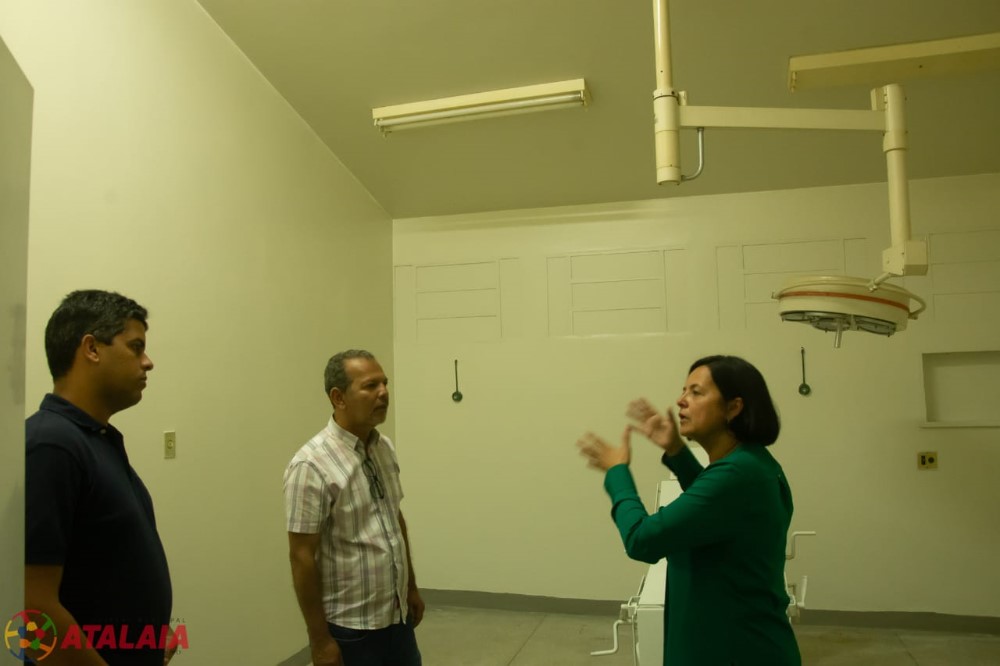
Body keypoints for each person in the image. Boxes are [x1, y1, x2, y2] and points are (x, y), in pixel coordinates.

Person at [577, 355, 801, 665]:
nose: (681, 400)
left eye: (696, 392)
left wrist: (617, 473)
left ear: (733, 407)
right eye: (684, 391)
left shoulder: (736, 475)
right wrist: (676, 450)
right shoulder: (752, 463)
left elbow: (641, 539)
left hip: (735, 650)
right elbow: (716, 511)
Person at [25, 290, 175, 665]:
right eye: (135, 347)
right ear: (91, 348)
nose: (148, 362)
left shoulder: (94, 440)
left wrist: (149, 636)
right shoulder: (51, 445)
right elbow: (33, 610)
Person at [284, 350, 424, 666]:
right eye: (370, 386)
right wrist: (320, 640)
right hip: (351, 631)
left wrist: (411, 588)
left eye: (384, 384)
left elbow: (394, 519)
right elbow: (301, 557)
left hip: (397, 619)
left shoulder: (383, 448)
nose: (383, 393)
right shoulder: (311, 465)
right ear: (339, 398)